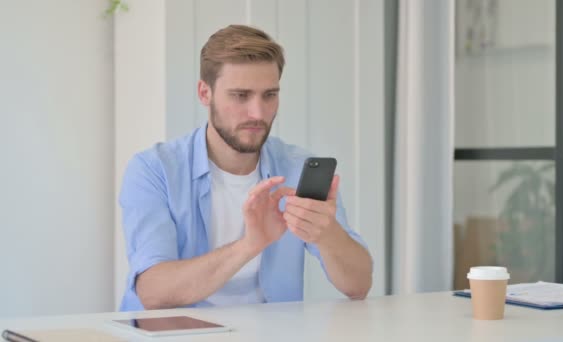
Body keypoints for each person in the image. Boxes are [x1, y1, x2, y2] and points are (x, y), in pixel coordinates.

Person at [119, 24, 373, 311]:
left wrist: (328, 234)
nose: (258, 113)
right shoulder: (154, 170)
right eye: (240, 95)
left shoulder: (296, 169)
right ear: (205, 93)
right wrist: (249, 245)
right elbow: (153, 292)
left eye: (269, 95)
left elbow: (359, 285)